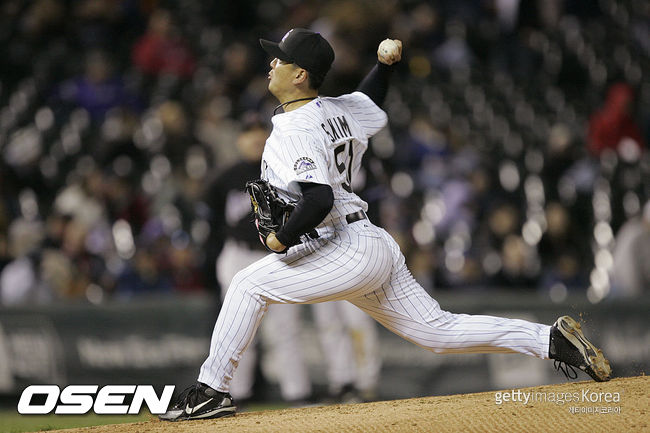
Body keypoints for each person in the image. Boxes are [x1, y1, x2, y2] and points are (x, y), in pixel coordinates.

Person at [160, 29, 611, 421]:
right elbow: (371, 101)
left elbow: (316, 199)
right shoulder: (337, 109)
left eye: (281, 57)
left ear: (300, 75)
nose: (272, 62)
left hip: (343, 246)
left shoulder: (294, 129)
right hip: (367, 242)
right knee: (437, 330)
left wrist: (281, 236)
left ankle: (211, 390)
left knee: (245, 285)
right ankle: (550, 341)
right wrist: (384, 66)